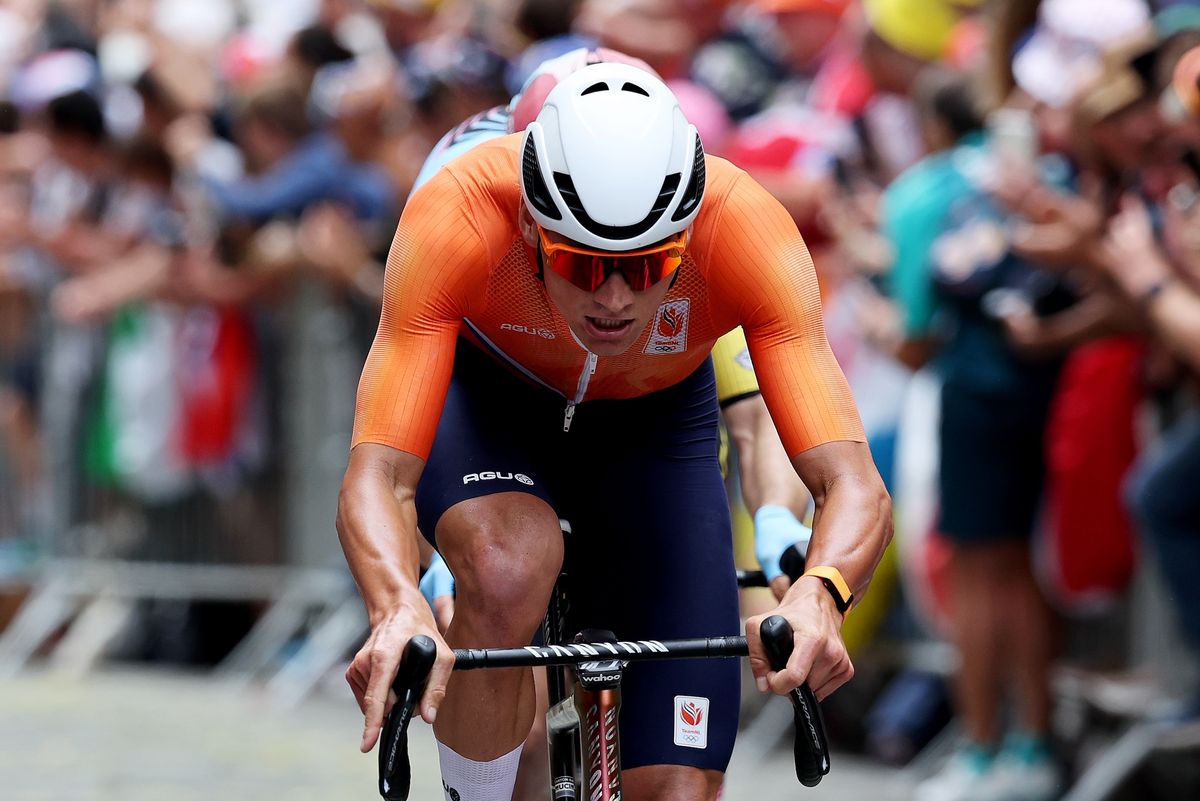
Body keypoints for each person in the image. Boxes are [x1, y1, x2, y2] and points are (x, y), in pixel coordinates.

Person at [337, 62, 891, 801]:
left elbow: (850, 479)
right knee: (507, 568)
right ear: (532, 226)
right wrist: (396, 599)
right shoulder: (461, 209)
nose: (617, 299)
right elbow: (379, 472)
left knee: (676, 785)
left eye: (652, 265)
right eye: (582, 265)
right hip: (492, 391)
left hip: (653, 416)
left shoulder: (745, 226)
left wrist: (821, 591)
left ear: (687, 234)